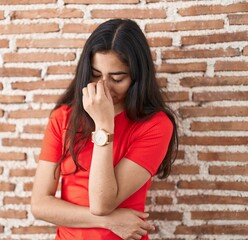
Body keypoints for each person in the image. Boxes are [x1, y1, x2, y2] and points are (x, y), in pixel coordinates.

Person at [31, 18, 178, 240]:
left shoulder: (155, 125)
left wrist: (104, 125)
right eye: (96, 75)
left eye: (117, 78)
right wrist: (109, 221)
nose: (104, 87)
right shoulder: (63, 117)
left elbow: (101, 203)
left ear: (137, 77)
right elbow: (40, 204)